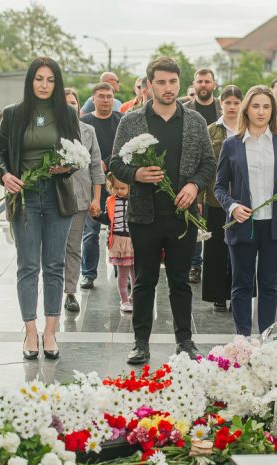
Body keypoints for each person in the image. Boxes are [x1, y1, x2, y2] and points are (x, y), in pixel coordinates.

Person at [109, 56, 215, 364]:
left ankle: (185, 340)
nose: (168, 88)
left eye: (172, 82)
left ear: (180, 83)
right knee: (144, 281)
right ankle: (140, 342)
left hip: (183, 216)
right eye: (161, 82)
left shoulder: (194, 121)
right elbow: (116, 162)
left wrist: (195, 185)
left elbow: (208, 163)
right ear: (149, 85)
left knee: (181, 281)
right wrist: (135, 175)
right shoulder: (132, 121)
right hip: (144, 214)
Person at [0, 56, 81, 360]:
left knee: (54, 266)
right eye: (38, 79)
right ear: (30, 81)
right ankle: (30, 332)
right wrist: (5, 175)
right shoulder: (13, 114)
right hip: (25, 196)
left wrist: (67, 168)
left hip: (57, 196)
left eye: (50, 80)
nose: (44, 85)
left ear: (56, 83)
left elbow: (78, 154)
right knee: (28, 265)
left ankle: (50, 331)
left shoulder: (67, 113)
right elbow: (0, 154)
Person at [214, 85, 277, 336]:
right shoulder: (232, 144)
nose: (261, 111)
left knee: (269, 284)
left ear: (272, 110)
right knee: (241, 284)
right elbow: (219, 187)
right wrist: (232, 206)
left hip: (276, 224)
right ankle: (242, 338)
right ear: (246, 109)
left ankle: (266, 337)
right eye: (255, 106)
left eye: (266, 106)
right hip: (243, 223)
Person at [79, 82, 123, 291]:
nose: (106, 100)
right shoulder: (84, 122)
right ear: (93, 99)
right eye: (101, 96)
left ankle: (123, 271)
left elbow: (126, 148)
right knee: (91, 232)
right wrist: (96, 165)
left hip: (118, 184)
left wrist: (106, 161)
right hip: (92, 184)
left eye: (109, 96)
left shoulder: (121, 121)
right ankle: (88, 274)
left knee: (121, 230)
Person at [63, 88, 103, 313]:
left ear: (79, 106)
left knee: (73, 246)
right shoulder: (50, 131)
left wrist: (96, 198)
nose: (70, 107)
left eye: (73, 103)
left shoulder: (88, 131)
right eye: (65, 103)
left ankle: (70, 292)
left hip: (81, 197)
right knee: (54, 249)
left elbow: (96, 166)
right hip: (55, 197)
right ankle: (54, 288)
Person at [204, 85, 242, 312]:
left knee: (240, 248)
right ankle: (218, 294)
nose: (232, 107)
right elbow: (206, 163)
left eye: (236, 102)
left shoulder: (249, 128)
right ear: (221, 103)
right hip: (216, 196)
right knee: (216, 247)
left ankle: (238, 291)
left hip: (243, 198)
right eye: (228, 102)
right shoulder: (212, 130)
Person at [184, 68, 222, 284]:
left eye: (207, 81)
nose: (203, 85)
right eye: (200, 81)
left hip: (217, 174)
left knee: (216, 224)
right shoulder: (186, 109)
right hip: (194, 174)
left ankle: (214, 263)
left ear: (214, 85)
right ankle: (195, 264)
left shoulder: (221, 108)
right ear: (194, 84)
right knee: (195, 220)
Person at [94, 173, 135, 312]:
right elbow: (107, 219)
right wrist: (97, 216)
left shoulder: (135, 200)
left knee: (136, 274)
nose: (119, 191)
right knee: (122, 274)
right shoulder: (110, 201)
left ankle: (135, 298)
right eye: (116, 188)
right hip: (118, 241)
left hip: (134, 241)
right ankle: (124, 300)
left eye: (123, 188)